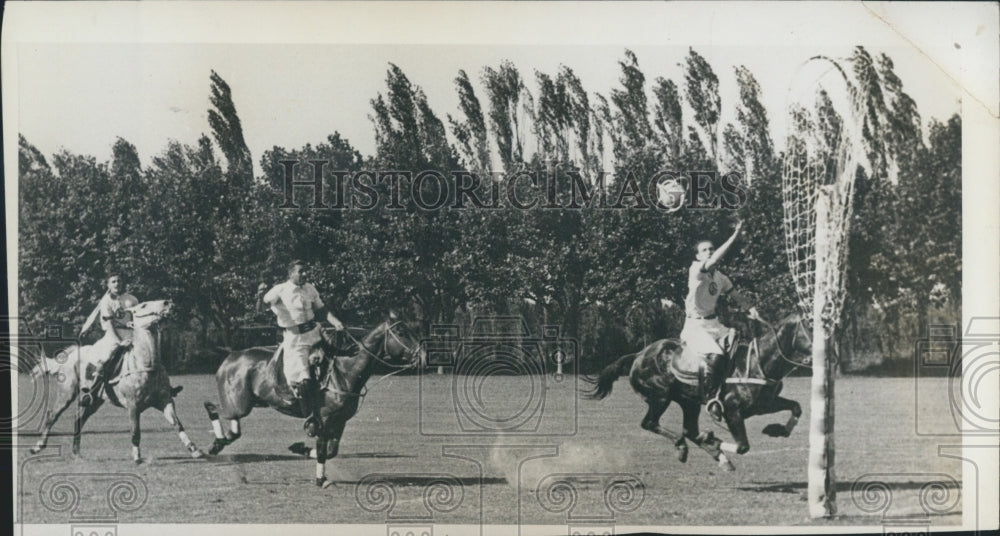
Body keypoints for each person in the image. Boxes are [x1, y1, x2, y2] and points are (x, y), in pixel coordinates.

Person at [258, 260, 345, 437]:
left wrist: (336, 322)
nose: (305, 274)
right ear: (291, 273)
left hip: (316, 334)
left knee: (341, 363)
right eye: (301, 271)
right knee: (304, 380)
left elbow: (321, 310)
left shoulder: (310, 288)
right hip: (295, 341)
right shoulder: (280, 290)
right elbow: (263, 305)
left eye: (306, 271)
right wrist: (261, 296)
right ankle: (311, 419)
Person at [680, 221, 746, 422]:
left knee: (738, 343)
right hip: (695, 327)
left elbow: (737, 296)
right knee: (716, 354)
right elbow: (715, 259)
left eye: (711, 249)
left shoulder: (720, 276)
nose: (709, 252)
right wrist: (735, 236)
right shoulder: (696, 270)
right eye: (704, 250)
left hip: (714, 324)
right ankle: (712, 400)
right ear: (698, 256)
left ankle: (731, 391)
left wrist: (751, 309)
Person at [79, 273, 139, 406]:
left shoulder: (132, 299)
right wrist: (119, 342)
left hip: (132, 335)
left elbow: (137, 319)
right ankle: (91, 392)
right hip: (113, 336)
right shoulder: (106, 301)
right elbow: (110, 324)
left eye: (119, 281)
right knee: (104, 359)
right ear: (108, 285)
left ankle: (164, 388)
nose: (117, 284)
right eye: (113, 282)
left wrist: (135, 330)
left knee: (149, 353)